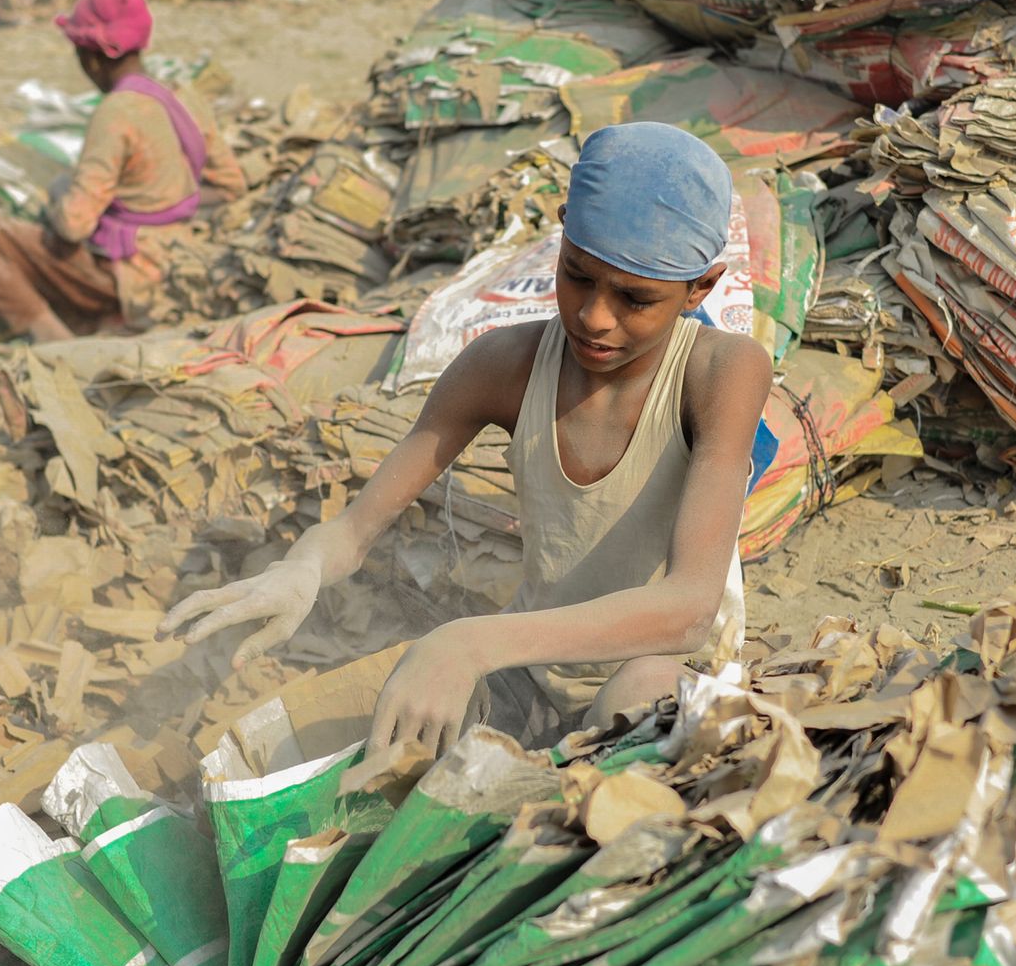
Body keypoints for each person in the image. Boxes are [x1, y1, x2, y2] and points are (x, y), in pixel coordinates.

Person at [161, 121, 772, 755]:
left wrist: (468, 642)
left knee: (635, 697)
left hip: (668, 674)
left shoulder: (720, 372)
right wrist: (301, 570)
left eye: (635, 300)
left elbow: (688, 608)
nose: (594, 316)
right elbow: (353, 530)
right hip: (527, 670)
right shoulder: (503, 366)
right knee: (368, 747)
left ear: (700, 288)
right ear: (561, 235)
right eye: (577, 275)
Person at [0, 0, 247, 341]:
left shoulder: (117, 113)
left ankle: (51, 336)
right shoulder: (184, 98)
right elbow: (231, 187)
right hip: (180, 259)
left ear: (90, 58)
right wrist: (168, 204)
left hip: (127, 275)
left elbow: (73, 226)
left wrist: (61, 195)